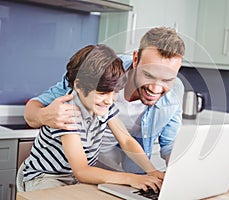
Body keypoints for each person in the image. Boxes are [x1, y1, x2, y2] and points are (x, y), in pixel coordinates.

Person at [24, 27, 185, 173]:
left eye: (167, 80)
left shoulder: (174, 94)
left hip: (121, 171)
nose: (155, 89)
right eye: (148, 75)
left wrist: (177, 175)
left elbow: (168, 146)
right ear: (136, 59)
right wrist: (44, 115)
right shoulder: (100, 70)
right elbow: (33, 109)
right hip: (75, 168)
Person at [22, 44, 164, 192]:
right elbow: (82, 171)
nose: (109, 100)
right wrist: (130, 178)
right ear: (79, 86)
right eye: (102, 93)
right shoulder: (68, 112)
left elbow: (126, 140)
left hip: (75, 179)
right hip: (47, 177)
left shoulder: (103, 107)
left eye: (114, 92)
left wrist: (151, 170)